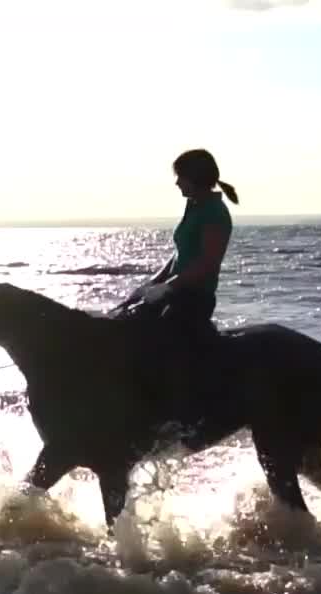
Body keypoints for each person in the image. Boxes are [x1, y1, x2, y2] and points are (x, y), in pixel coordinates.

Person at [121, 148, 239, 426]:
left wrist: (168, 288)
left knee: (163, 344)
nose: (177, 183)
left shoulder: (214, 212)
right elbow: (178, 255)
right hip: (177, 290)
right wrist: (153, 283)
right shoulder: (195, 206)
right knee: (126, 320)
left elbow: (206, 263)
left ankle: (180, 416)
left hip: (194, 297)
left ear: (194, 177)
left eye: (180, 177)